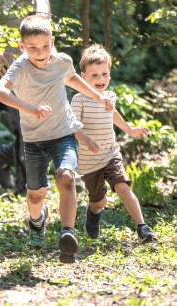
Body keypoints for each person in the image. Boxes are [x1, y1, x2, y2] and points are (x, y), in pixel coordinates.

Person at [0, 15, 115, 263]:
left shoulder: (62, 61)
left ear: (53, 41)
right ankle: (37, 222)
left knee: (66, 177)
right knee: (36, 194)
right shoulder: (20, 66)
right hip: (34, 141)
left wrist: (98, 97)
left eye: (45, 46)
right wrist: (29, 108)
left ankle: (67, 235)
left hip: (63, 134)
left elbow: (71, 78)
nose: (40, 52)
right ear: (22, 46)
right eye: (33, 48)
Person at [71, 44, 157, 243]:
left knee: (122, 187)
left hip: (110, 154)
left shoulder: (109, 97)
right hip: (89, 161)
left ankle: (142, 227)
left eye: (104, 74)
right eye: (94, 75)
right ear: (83, 77)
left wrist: (130, 130)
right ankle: (93, 212)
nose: (100, 79)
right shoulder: (79, 99)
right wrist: (87, 139)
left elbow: (114, 115)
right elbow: (73, 127)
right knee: (99, 201)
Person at [0, 0, 52, 194]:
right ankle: (26, 188)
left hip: (41, 78)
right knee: (26, 130)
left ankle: (0, 154)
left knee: (44, 131)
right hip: (10, 79)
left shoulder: (43, 2)